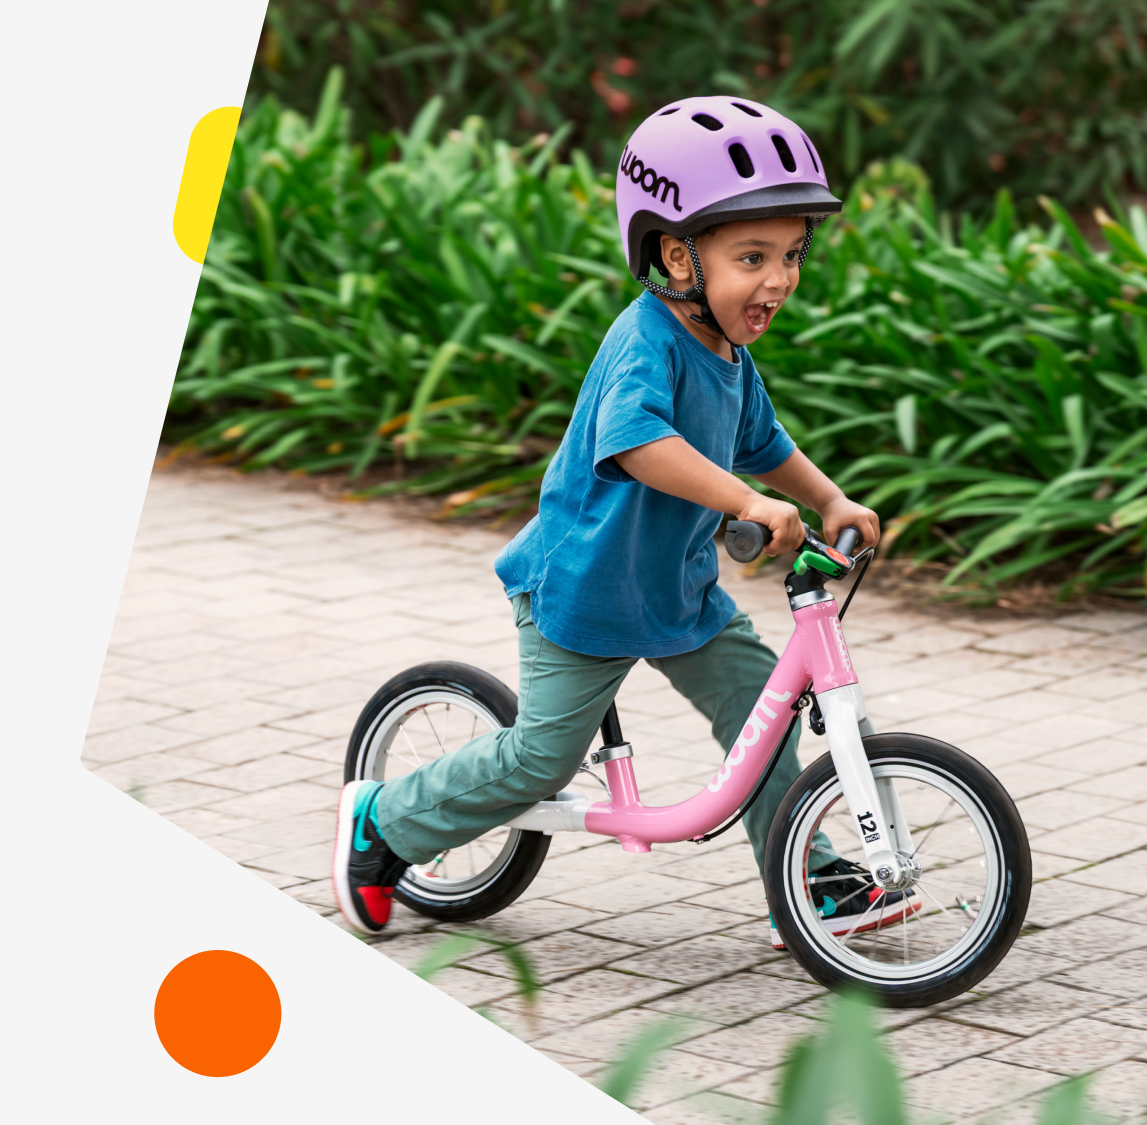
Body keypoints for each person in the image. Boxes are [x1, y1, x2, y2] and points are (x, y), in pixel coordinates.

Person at [332, 96, 914, 950]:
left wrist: (825, 498)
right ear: (677, 255)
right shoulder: (646, 340)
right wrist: (746, 504)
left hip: (675, 591)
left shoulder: (728, 353)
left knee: (766, 710)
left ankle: (807, 876)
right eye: (752, 256)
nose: (780, 279)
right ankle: (385, 824)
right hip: (586, 590)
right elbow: (639, 443)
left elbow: (762, 441)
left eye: (791, 254)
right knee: (542, 758)